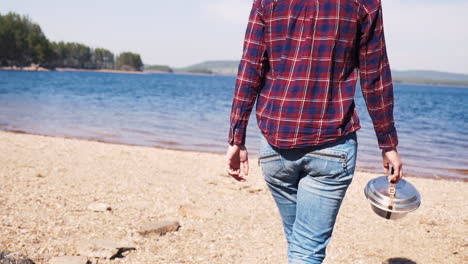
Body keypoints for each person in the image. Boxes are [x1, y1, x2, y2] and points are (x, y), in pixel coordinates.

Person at [226, 0, 403, 263]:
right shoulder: (364, 3)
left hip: (276, 142)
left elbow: (250, 68)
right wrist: (388, 144)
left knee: (299, 242)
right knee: (306, 247)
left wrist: (236, 138)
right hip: (333, 145)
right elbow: (374, 75)